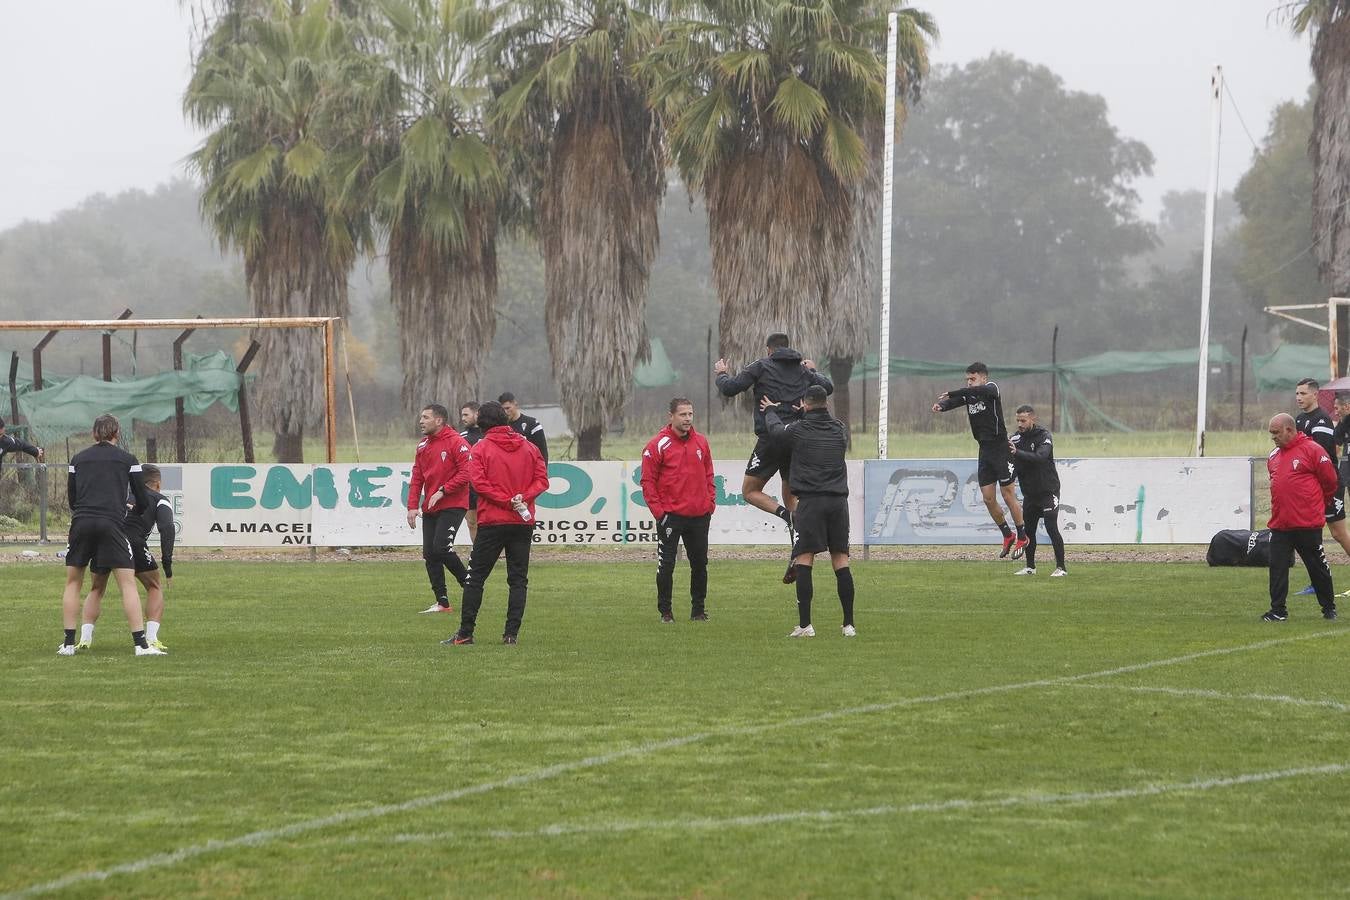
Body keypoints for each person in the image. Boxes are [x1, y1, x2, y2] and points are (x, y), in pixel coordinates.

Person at [714, 332, 833, 583]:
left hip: (771, 438)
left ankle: (785, 516)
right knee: (792, 497)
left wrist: (721, 373)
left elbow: (730, 389)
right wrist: (815, 371)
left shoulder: (761, 365)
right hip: (797, 439)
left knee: (750, 490)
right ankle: (798, 553)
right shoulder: (803, 370)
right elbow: (827, 388)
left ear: (769, 350)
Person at [443, 400, 550, 646]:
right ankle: (511, 634)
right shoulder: (529, 447)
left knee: (475, 577)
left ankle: (465, 632)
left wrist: (505, 501)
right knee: (518, 579)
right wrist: (523, 498)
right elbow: (542, 480)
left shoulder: (481, 449)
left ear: (482, 423)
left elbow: (479, 483)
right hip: (522, 520)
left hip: (493, 520)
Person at [58, 414, 163, 656]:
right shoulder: (128, 460)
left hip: (81, 522)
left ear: (94, 434)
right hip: (112, 524)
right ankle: (140, 645)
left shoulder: (78, 459)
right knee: (127, 583)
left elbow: (72, 499)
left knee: (73, 582)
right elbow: (142, 497)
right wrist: (134, 510)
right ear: (117, 433)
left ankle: (68, 644)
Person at [760, 386, 855, 638]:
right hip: (838, 503)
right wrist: (806, 413)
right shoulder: (839, 428)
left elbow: (777, 432)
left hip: (811, 502)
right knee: (841, 560)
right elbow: (818, 428)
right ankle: (848, 625)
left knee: (805, 559)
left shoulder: (799, 430)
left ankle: (805, 626)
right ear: (826, 402)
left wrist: (770, 411)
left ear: (805, 403)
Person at [932, 362, 1027, 558]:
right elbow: (955, 401)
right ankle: (1007, 535)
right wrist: (942, 405)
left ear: (983, 378)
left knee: (1008, 495)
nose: (969, 382)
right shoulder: (969, 394)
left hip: (1000, 448)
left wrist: (952, 392)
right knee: (988, 498)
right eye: (967, 379)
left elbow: (970, 393)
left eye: (972, 379)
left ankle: (1022, 536)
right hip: (984, 450)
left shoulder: (992, 389)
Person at [77, 464, 176, 651]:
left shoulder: (120, 495)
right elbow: (167, 528)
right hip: (133, 542)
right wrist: (167, 565)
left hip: (104, 540)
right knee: (154, 586)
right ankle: (151, 639)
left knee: (97, 588)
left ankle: (85, 639)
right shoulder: (159, 499)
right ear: (157, 484)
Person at [640, 398, 716, 623]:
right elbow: (647, 482)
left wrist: (710, 503)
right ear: (670, 416)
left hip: (699, 515)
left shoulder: (702, 442)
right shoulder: (656, 445)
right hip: (671, 517)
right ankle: (666, 612)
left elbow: (709, 474)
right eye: (683, 415)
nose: (687, 419)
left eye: (690, 414)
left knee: (700, 564)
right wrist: (660, 514)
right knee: (667, 564)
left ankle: (698, 611)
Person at [1264, 412, 1338, 621]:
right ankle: (1278, 611)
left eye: (1276, 433)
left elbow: (1330, 481)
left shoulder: (1313, 450)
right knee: (1277, 568)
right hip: (1280, 523)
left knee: (1317, 566)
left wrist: (1316, 504)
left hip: (1307, 523)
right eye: (1271, 434)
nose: (1274, 437)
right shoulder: (1273, 456)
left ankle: (1328, 607)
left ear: (1289, 430)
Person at [407, 403, 473, 615]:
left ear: (439, 420)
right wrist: (412, 506)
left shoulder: (457, 443)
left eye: (425, 417)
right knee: (430, 553)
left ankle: (470, 586)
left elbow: (467, 473)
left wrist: (443, 490)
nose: (421, 421)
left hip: (453, 504)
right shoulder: (423, 445)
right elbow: (417, 477)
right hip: (432, 506)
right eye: (421, 417)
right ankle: (442, 602)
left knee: (441, 548)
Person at [1008, 405, 1066, 577]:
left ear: (1033, 419)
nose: (1020, 424)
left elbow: (1040, 458)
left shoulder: (1044, 436)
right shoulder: (1015, 439)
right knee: (1029, 531)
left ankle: (1061, 568)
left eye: (1023, 420)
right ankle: (1030, 567)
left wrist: (1017, 452)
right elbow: (1014, 465)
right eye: (1017, 420)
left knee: (1051, 527)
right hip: (1030, 493)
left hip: (1048, 491)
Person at [498, 392, 548, 462]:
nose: (505, 412)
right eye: (503, 409)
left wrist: (543, 471)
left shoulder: (532, 424)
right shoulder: (500, 427)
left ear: (515, 404)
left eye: (508, 408)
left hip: (529, 469)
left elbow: (542, 452)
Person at [460, 401, 484, 541]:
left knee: (491, 523)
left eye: (466, 414)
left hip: (488, 486)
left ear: (477, 414)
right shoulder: (461, 437)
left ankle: (497, 552)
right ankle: (477, 552)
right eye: (462, 415)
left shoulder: (489, 434)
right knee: (472, 523)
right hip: (469, 488)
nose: (463, 418)